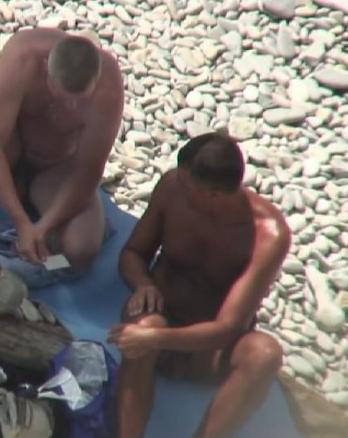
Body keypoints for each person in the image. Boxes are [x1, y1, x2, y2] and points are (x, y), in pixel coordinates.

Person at [106, 131, 291, 438]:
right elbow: (133, 253)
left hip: (208, 348)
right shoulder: (171, 189)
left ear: (213, 194)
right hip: (158, 320)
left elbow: (227, 328)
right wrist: (143, 284)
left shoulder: (268, 235)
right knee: (148, 322)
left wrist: (156, 339)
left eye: (185, 182)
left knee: (265, 354)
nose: (176, 183)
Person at [0, 28, 125, 274]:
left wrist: (42, 227)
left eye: (81, 100)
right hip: (10, 150)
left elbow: (89, 171)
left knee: (81, 248)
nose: (71, 106)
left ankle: (36, 264)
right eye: (64, 96)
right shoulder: (23, 57)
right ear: (47, 68)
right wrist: (21, 222)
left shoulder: (108, 87)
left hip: (54, 168)